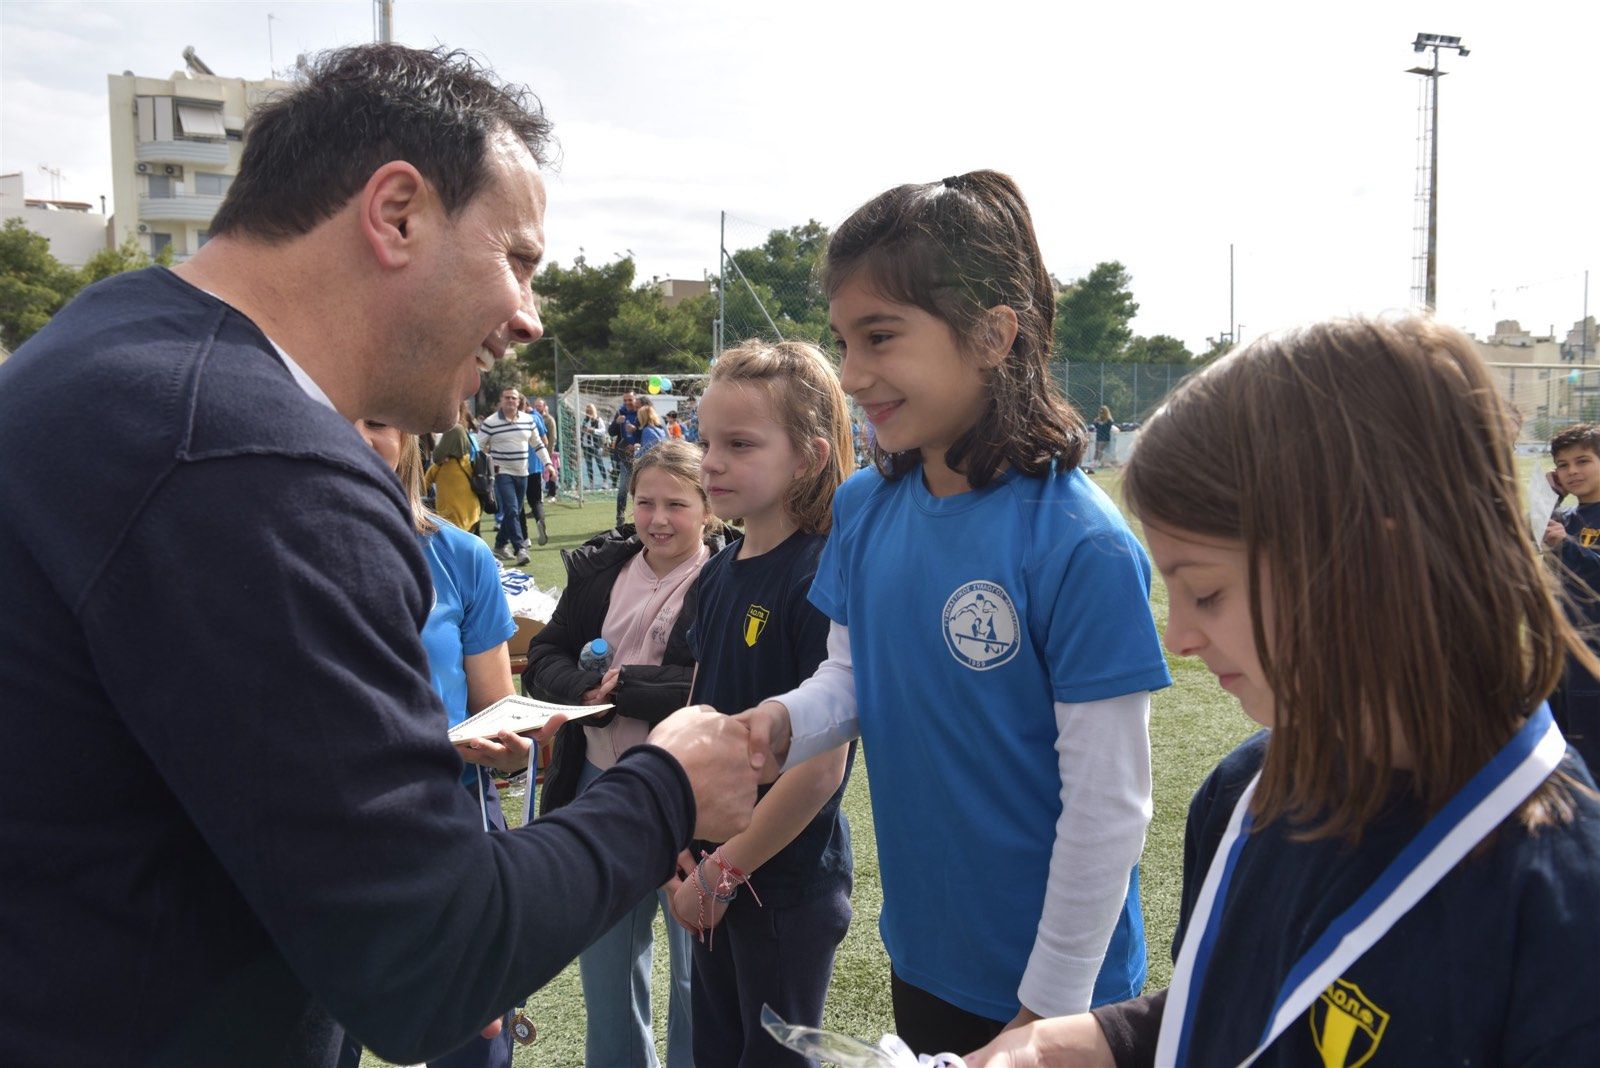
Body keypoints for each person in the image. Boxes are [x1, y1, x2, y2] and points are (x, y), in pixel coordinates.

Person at [0, 43, 760, 1067]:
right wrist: (667, 785)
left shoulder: (108, 347)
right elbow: (427, 961)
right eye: (519, 261)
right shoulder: (253, 459)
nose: (527, 318)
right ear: (397, 212)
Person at [967, 318, 1600, 1068]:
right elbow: (1251, 1006)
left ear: (1376, 563)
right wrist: (1084, 1041)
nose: (1181, 640)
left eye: (1205, 592)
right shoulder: (1248, 787)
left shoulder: (1561, 904)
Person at [736, 171, 1172, 1055]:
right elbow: (852, 677)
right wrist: (780, 722)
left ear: (992, 334)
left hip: (1058, 991)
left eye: (881, 337)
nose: (852, 375)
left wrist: (1044, 1011)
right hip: (925, 957)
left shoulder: (1079, 542)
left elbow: (1109, 807)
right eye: (845, 342)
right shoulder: (864, 506)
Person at [669, 340, 858, 1067]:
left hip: (779, 887)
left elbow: (819, 768)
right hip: (711, 870)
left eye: (740, 443)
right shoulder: (717, 572)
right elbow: (697, 714)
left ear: (809, 457)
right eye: (705, 438)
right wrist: (678, 834)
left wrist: (728, 870)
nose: (710, 460)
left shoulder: (822, 574)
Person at [525, 439, 722, 1068]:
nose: (658, 519)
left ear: (709, 508)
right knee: (606, 956)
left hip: (690, 796)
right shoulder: (600, 570)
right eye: (645, 503)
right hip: (598, 782)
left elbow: (719, 687)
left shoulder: (727, 577)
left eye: (676, 504)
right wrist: (579, 687)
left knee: (699, 962)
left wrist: (628, 690)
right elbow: (544, 657)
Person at [345, 416, 529, 1068]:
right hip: (318, 848)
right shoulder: (272, 546)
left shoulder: (460, 555)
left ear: (409, 436)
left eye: (375, 421)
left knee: (470, 1048)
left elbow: (498, 711)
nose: (356, 435)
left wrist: (511, 749)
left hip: (447, 835)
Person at [1544, 423, 1600, 774]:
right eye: (1563, 465)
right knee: (1558, 761)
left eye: (1583, 460)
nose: (1572, 471)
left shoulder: (1565, 532)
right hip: (1557, 660)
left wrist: (1566, 545)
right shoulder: (1563, 516)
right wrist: (1548, 497)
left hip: (1592, 663)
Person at [425, 401, 483, 532]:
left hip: (454, 508)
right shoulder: (465, 454)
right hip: (471, 506)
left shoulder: (454, 430)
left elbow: (437, 457)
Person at [612, 390, 643, 526]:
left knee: (642, 488)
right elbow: (611, 432)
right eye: (625, 400)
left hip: (641, 456)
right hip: (626, 456)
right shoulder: (620, 413)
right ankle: (620, 517)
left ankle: (641, 518)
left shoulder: (641, 412)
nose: (627, 403)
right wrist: (615, 423)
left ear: (635, 399)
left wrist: (636, 431)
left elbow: (647, 431)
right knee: (623, 487)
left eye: (630, 400)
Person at [582, 401, 609, 488]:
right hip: (586, 445)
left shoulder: (598, 419)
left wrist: (593, 430)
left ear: (593, 411)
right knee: (589, 465)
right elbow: (582, 430)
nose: (588, 412)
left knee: (600, 463)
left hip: (596, 445)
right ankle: (591, 483)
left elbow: (603, 430)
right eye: (587, 410)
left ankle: (605, 481)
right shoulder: (585, 420)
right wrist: (583, 430)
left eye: (590, 410)